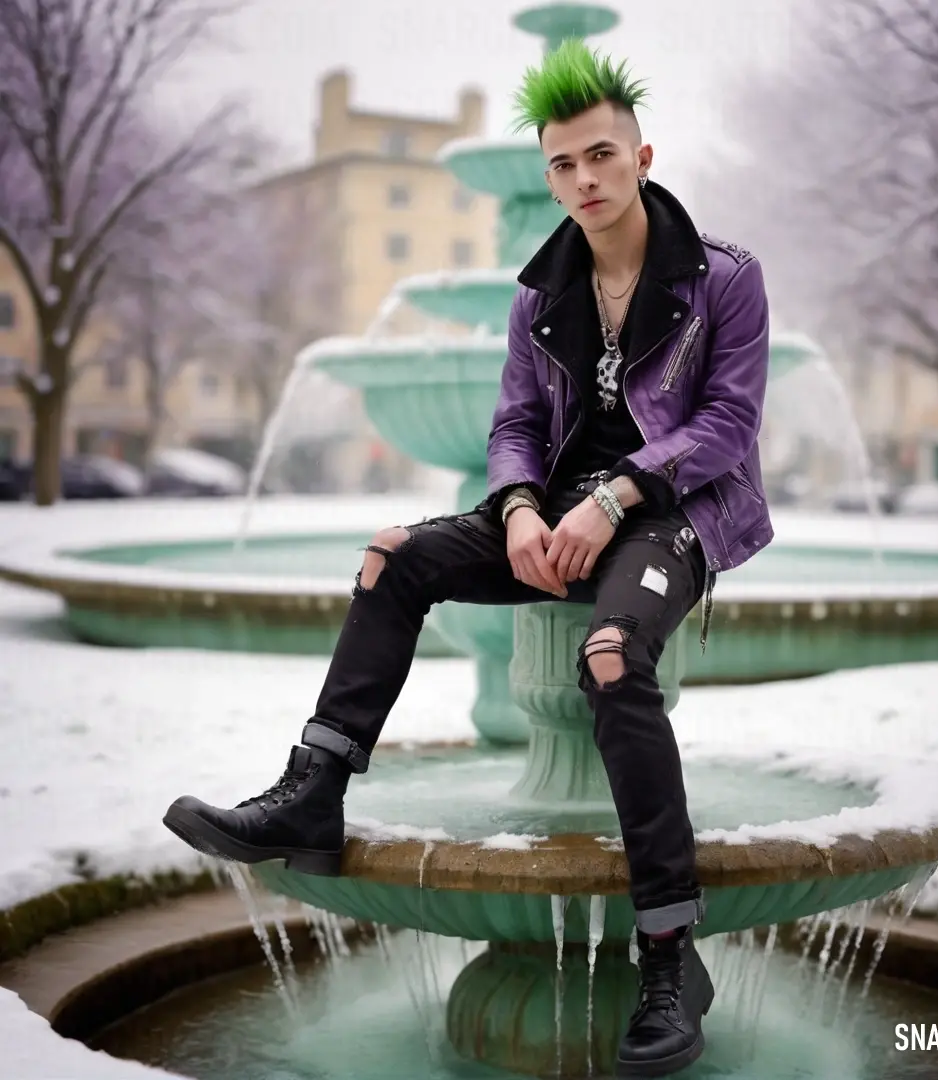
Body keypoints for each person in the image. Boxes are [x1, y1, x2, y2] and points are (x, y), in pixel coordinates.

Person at [164, 39, 772, 1078]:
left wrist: (615, 495)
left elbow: (725, 424)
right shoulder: (538, 297)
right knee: (391, 557)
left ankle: (668, 952)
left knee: (615, 655)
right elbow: (515, 422)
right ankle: (313, 788)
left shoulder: (724, 279)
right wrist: (525, 507)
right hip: (562, 512)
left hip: (676, 515)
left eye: (600, 156)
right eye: (562, 164)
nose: (582, 180)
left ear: (641, 155)